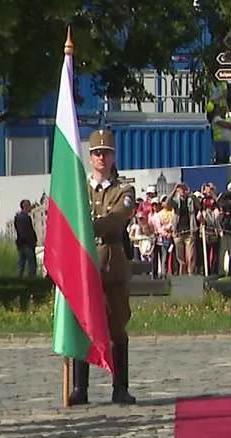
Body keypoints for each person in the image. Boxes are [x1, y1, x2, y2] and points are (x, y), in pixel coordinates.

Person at [67, 129, 136, 406]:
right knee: (82, 326)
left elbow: (118, 219)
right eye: (97, 153)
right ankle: (79, 387)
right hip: (85, 266)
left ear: (113, 157)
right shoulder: (79, 188)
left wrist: (88, 225)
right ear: (90, 156)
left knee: (116, 325)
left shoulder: (124, 189)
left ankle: (120, 386)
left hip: (112, 266)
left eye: (106, 153)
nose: (101, 158)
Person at [14, 199, 37, 277]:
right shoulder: (26, 218)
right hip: (27, 244)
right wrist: (32, 242)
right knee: (31, 263)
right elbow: (28, 232)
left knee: (21, 263)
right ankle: (32, 280)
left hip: (20, 244)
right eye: (29, 205)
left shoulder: (17, 218)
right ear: (25, 206)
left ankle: (18, 280)